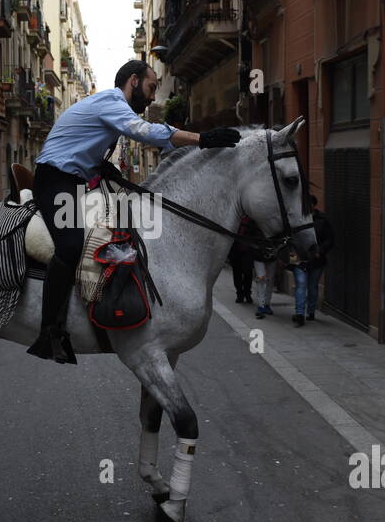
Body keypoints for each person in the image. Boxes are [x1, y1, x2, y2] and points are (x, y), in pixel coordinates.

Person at [27, 59, 241, 363]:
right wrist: (201, 139)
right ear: (133, 81)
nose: (153, 97)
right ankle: (48, 331)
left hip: (76, 180)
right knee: (72, 245)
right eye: (152, 87)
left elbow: (85, 147)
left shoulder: (111, 106)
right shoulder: (112, 102)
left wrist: (102, 168)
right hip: (55, 180)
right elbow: (145, 131)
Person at [302, 195, 334, 322]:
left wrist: (320, 251)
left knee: (312, 286)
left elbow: (330, 239)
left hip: (317, 259)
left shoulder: (322, 220)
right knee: (301, 285)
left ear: (314, 205)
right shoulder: (299, 219)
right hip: (302, 258)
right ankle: (300, 310)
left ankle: (310, 312)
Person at [227, 216, 256, 304]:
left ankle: (247, 293)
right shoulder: (235, 219)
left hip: (248, 251)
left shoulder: (252, 220)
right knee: (237, 274)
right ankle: (239, 294)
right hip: (236, 251)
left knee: (248, 274)